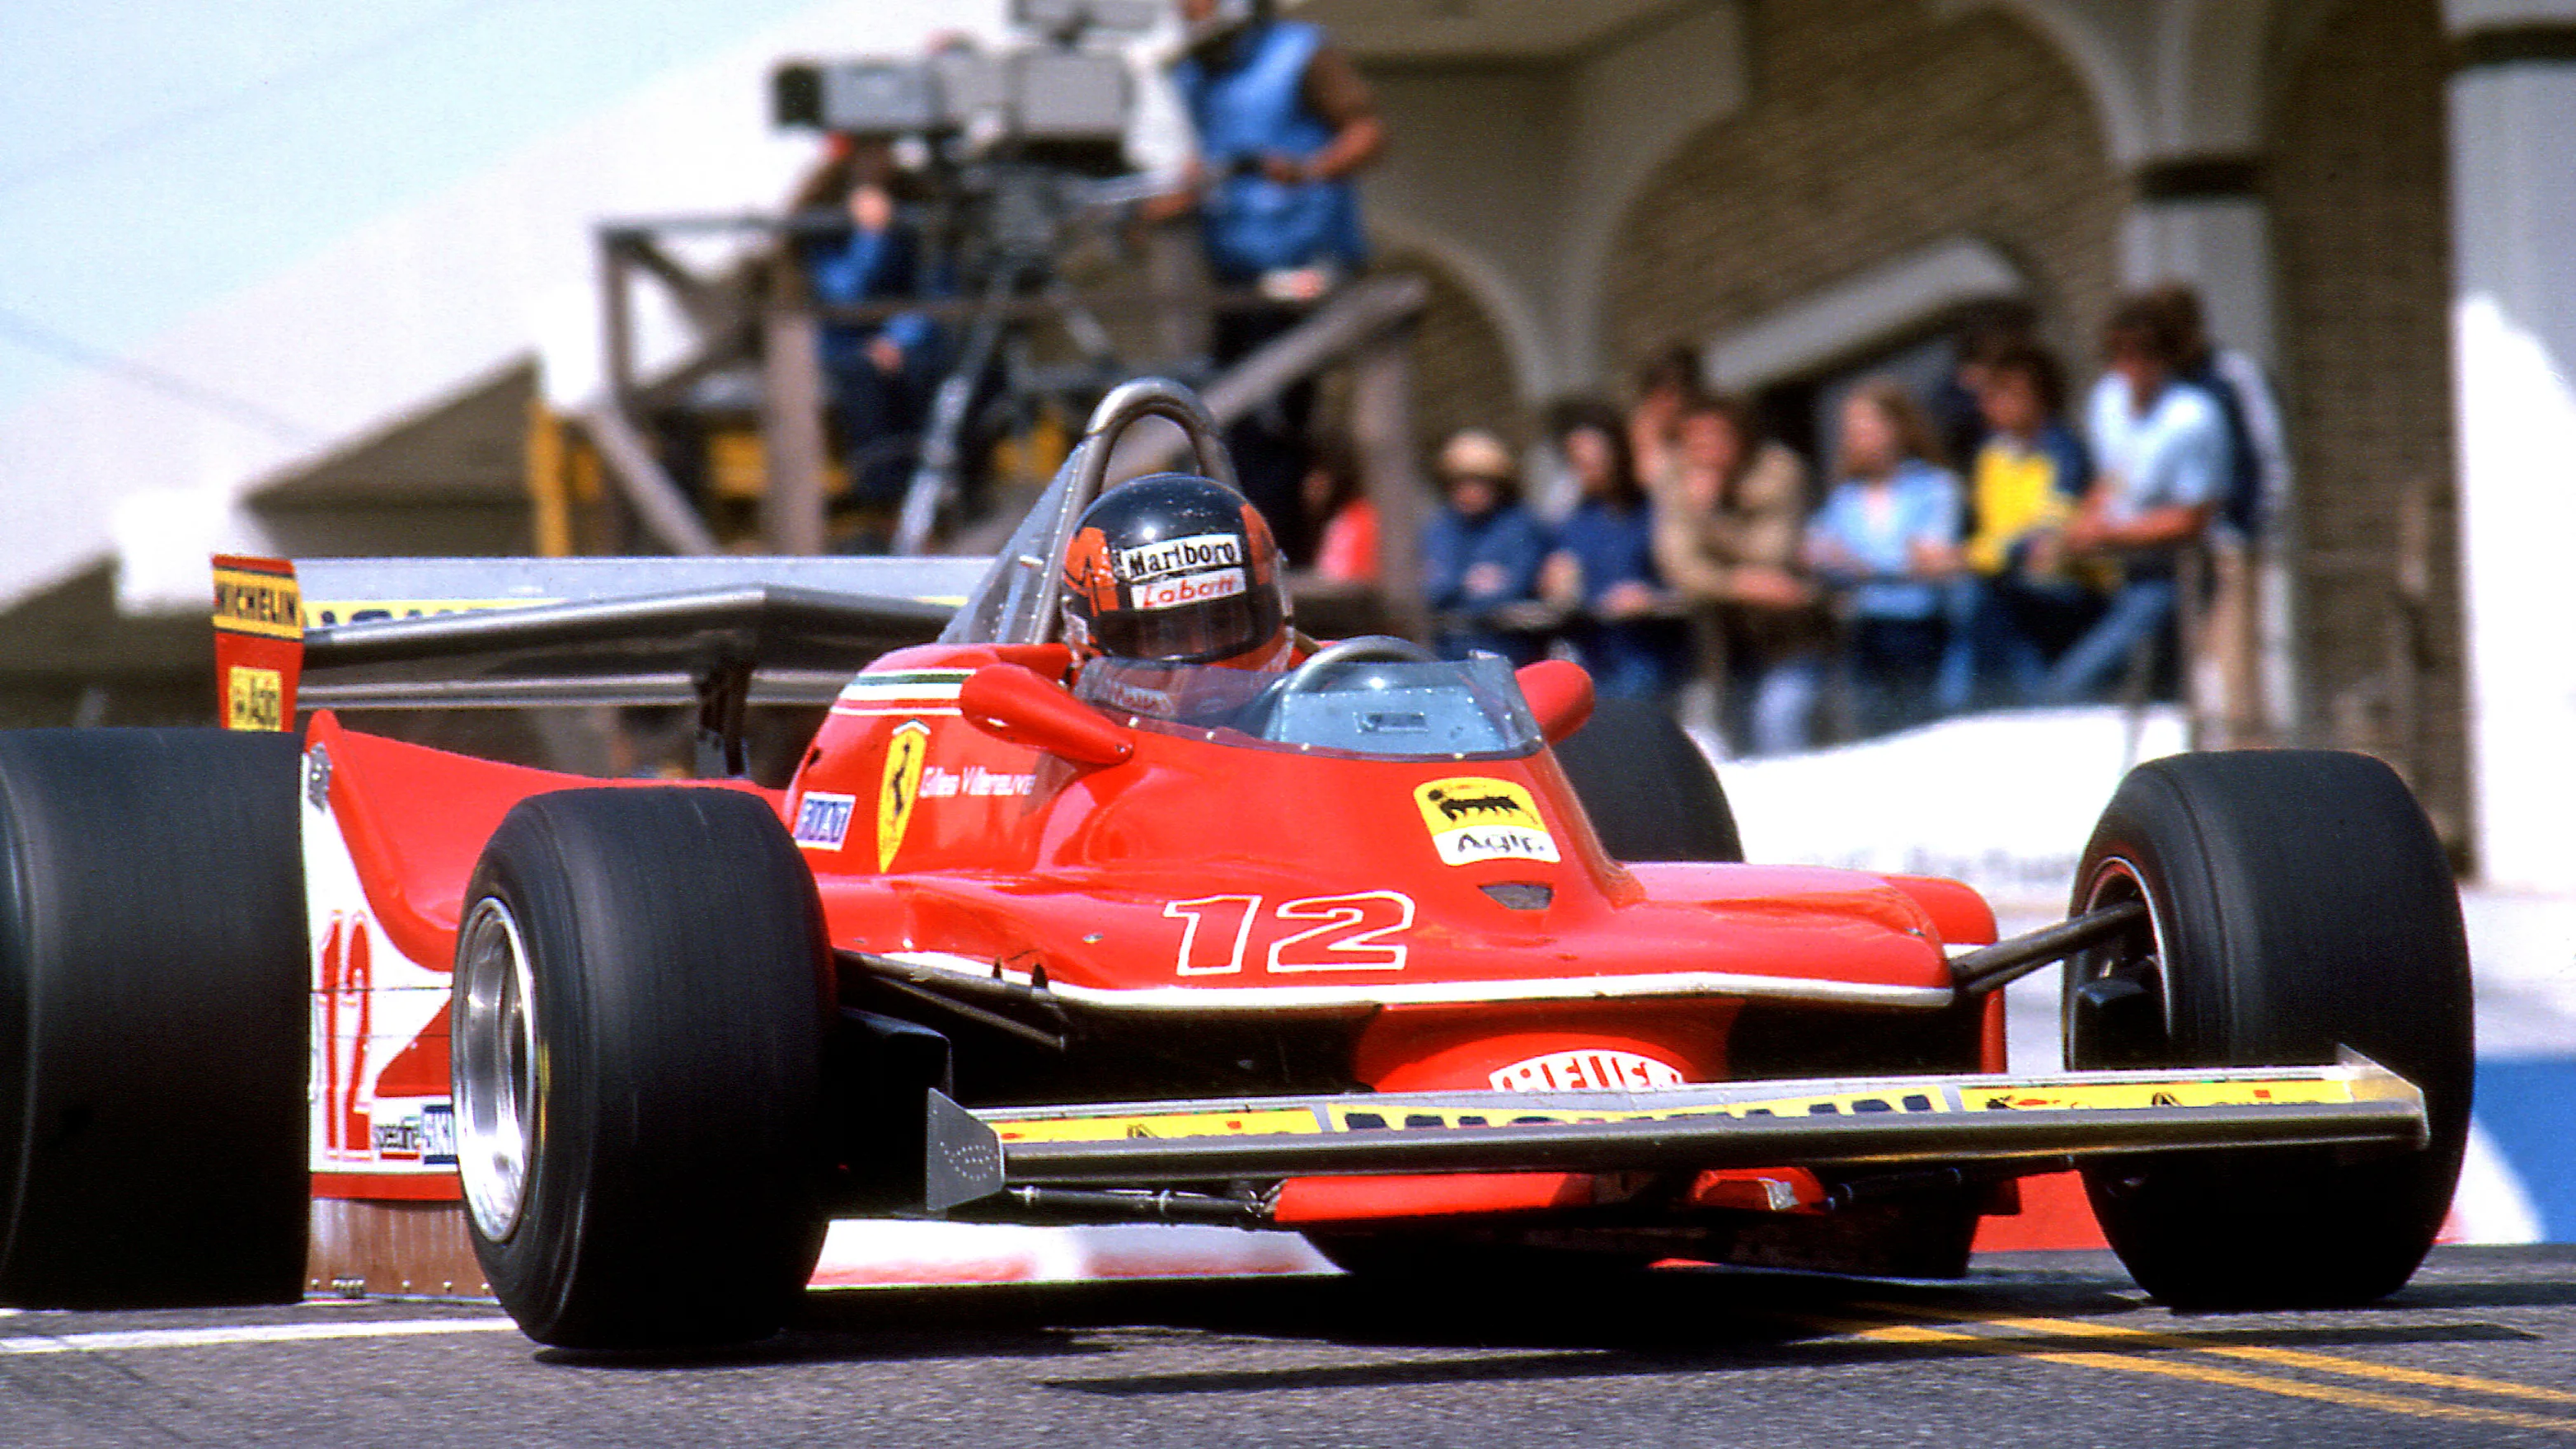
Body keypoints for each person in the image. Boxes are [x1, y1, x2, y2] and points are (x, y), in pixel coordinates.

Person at [1156, 0, 1386, 565]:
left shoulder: (1301, 53)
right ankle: (1240, 543)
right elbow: (1199, 160)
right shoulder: (1192, 74)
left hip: (1303, 262)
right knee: (1233, 421)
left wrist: (1306, 171)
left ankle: (1284, 552)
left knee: (1282, 418)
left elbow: (1366, 133)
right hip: (1235, 273)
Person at [2040, 297, 2227, 704]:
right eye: (2120, 354)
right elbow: (2113, 477)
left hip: (2175, 575)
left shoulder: (2192, 416)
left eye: (2145, 354)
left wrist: (2110, 534)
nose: (2133, 366)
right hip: (2120, 571)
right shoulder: (2108, 400)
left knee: (2074, 684)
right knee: (2149, 697)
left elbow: (2193, 517)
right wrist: (2079, 526)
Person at [1650, 392, 1823, 755]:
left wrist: (1711, 522)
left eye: (1717, 437)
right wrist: (1740, 581)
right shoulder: (1677, 484)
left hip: (1788, 638)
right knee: (1735, 745)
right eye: (1696, 443)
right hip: (1723, 649)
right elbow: (1679, 567)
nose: (1707, 451)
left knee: (1778, 723)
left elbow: (1772, 553)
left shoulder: (1777, 472)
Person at [1936, 343, 2098, 711]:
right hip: (2007, 586)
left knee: (1981, 601)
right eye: (1991, 394)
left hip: (2067, 590)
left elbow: (2043, 537)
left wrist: (1966, 557)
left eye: (2007, 392)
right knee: (1972, 600)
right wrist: (1965, 556)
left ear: (2040, 395)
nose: (1994, 404)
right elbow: (1991, 534)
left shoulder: (2065, 451)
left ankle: (1988, 706)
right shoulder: (1990, 456)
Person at [1804, 380, 1963, 737]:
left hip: (1921, 629)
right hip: (1864, 631)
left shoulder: (1934, 486)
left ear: (1898, 426)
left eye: (1868, 426)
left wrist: (1861, 565)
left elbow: (1930, 557)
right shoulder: (1845, 499)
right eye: (1851, 429)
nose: (1858, 438)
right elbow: (1816, 549)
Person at [795, 154, 937, 509]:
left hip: (907, 341)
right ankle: (880, 497)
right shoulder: (822, 216)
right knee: (863, 381)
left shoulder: (918, 201)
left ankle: (931, 489)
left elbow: (933, 288)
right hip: (847, 345)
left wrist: (897, 338)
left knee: (930, 374)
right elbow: (843, 294)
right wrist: (870, 237)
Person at [1060, 471, 1296, 671]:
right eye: (1164, 634)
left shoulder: (1311, 687)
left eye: (1221, 625)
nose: (1204, 668)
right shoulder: (1048, 710)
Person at [1543, 406, 1687, 700]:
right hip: (1598, 659)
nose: (1589, 466)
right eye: (1579, 460)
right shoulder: (1574, 522)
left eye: (1597, 457)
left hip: (1655, 656)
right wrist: (1555, 586)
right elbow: (1562, 590)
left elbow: (1687, 577)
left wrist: (1651, 597)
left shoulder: (1652, 511)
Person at [1420, 429, 1546, 665]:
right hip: (1449, 655)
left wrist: (1462, 592)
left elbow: (1517, 588)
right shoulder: (1441, 529)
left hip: (1507, 655)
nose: (1468, 490)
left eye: (1479, 481)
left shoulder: (1521, 527)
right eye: (1459, 481)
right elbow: (1432, 591)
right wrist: (1464, 583)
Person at [1301, 434, 1377, 584]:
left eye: (1320, 483)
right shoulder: (1337, 521)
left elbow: (1344, 579)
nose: (1310, 489)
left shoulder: (1357, 520)